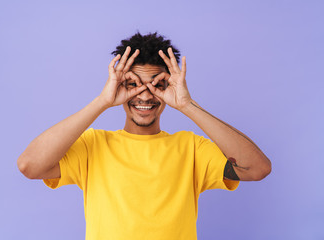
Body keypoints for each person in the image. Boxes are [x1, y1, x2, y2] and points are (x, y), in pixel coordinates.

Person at [17, 32, 271, 240]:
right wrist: (102, 102)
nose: (145, 95)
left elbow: (257, 168)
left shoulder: (191, 148)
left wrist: (187, 105)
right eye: (133, 84)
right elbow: (30, 165)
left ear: (168, 87)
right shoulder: (93, 145)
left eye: (156, 85)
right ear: (119, 86)